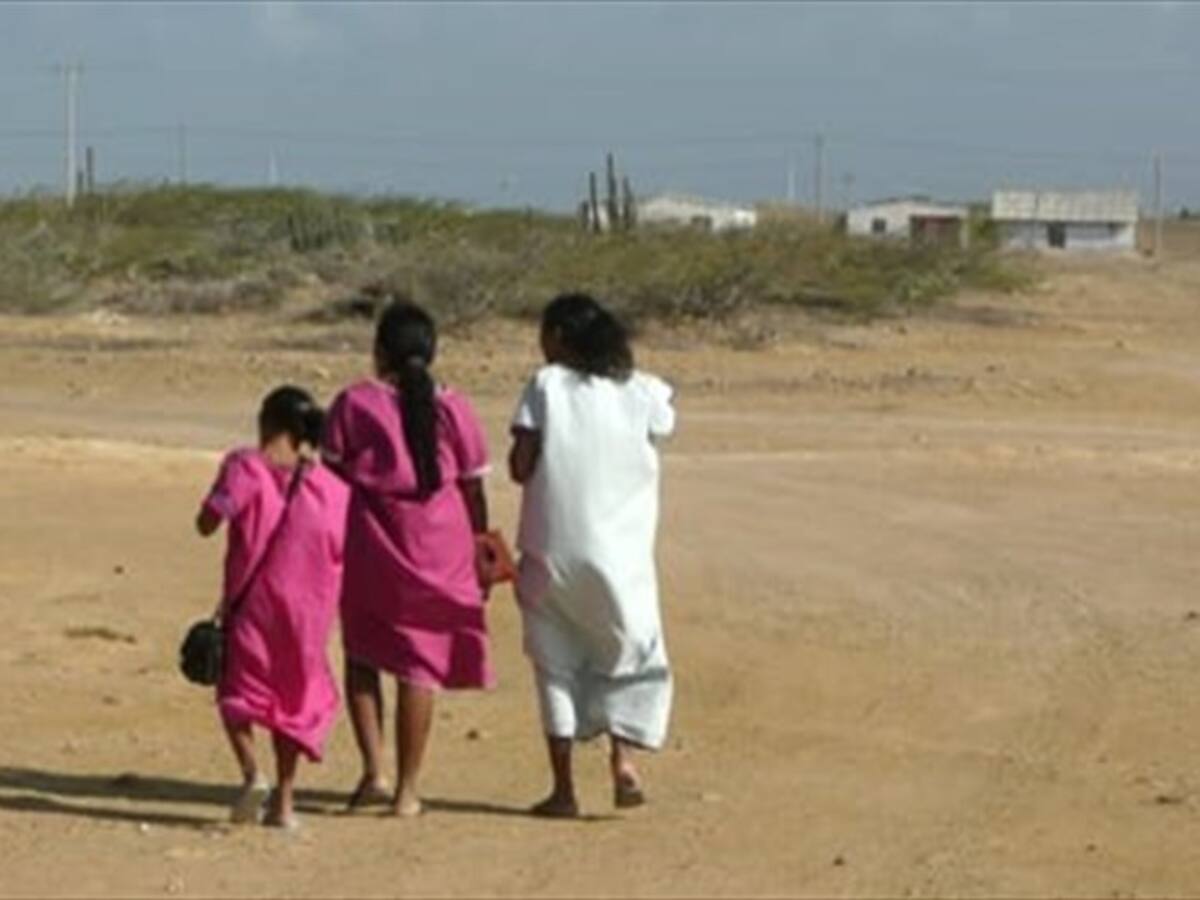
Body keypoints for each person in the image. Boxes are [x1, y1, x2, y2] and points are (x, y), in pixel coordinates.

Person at [322, 298, 493, 818]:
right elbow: (473, 484)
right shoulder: (454, 406)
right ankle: (409, 790)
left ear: (380, 351)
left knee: (363, 653)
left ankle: (374, 770)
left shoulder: (354, 402)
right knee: (419, 666)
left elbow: (330, 474)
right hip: (440, 545)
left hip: (374, 541)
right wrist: (480, 542)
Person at [509, 292, 677, 818]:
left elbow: (520, 465)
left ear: (559, 337)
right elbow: (659, 430)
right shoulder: (645, 391)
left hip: (551, 549)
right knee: (623, 650)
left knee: (553, 661)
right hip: (621, 555)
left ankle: (563, 790)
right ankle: (623, 761)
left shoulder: (546, 385)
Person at [196, 385, 348, 829]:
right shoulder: (331, 488)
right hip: (308, 613)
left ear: (266, 422)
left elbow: (208, 522)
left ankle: (251, 773)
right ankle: (284, 802)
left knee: (236, 691)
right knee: (292, 701)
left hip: (253, 605)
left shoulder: (245, 467)